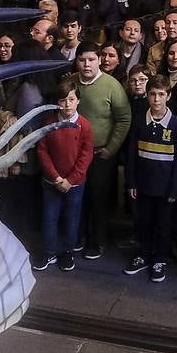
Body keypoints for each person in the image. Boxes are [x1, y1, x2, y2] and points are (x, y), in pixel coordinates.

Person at [124, 75, 177, 283]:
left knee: (163, 224)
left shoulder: (176, 125)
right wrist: (131, 181)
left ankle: (159, 259)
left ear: (168, 96)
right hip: (142, 184)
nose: (156, 99)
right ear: (147, 96)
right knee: (143, 222)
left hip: (165, 187)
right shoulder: (140, 120)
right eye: (152, 94)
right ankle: (143, 254)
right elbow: (131, 152)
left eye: (161, 94)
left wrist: (175, 189)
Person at [73, 42, 131, 260]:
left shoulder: (112, 85)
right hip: (75, 153)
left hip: (101, 154)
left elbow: (124, 119)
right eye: (82, 60)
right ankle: (77, 236)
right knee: (78, 197)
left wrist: (111, 148)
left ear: (99, 61)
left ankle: (97, 242)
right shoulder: (71, 83)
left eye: (91, 60)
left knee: (98, 199)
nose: (86, 64)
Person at [33, 74, 93, 271]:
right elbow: (42, 151)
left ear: (78, 101)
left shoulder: (84, 125)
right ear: (56, 102)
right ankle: (49, 251)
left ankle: (67, 251)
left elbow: (86, 156)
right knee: (49, 217)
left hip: (75, 184)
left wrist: (71, 179)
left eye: (71, 99)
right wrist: (56, 177)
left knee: (71, 217)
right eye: (62, 100)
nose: (67, 104)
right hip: (52, 181)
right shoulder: (49, 123)